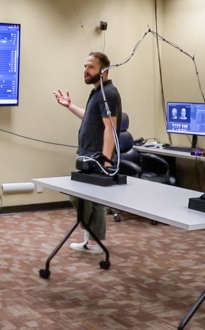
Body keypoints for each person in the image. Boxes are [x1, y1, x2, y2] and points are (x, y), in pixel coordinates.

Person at [53, 52, 122, 254]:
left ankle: (93, 240)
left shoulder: (108, 93)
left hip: (96, 157)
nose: (85, 71)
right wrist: (70, 106)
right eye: (85, 66)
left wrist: (106, 160)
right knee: (87, 198)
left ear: (104, 70)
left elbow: (110, 128)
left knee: (82, 197)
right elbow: (90, 118)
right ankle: (92, 240)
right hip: (87, 153)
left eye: (90, 67)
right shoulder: (98, 91)